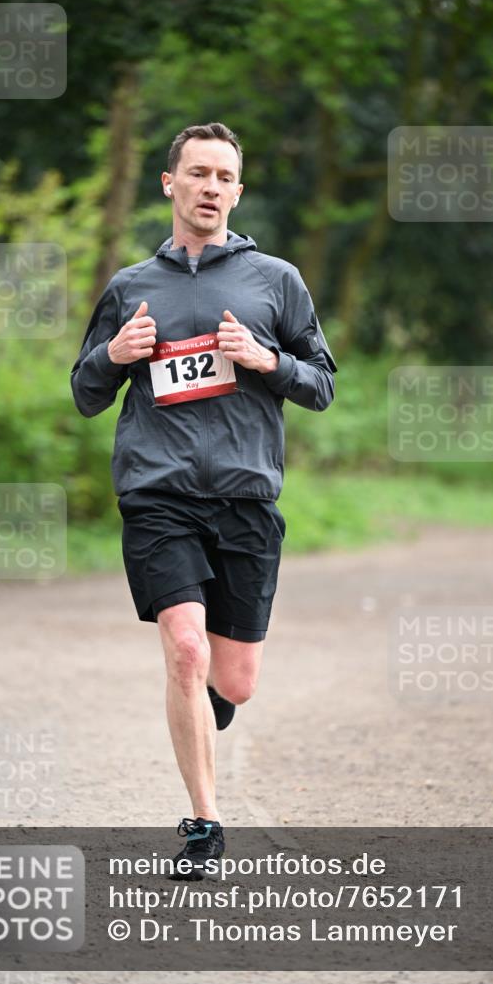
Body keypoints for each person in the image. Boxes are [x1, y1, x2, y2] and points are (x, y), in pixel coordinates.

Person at [71, 122, 337, 878]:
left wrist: (264, 359)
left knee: (234, 679)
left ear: (237, 192)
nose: (210, 187)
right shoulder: (130, 287)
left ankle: (211, 705)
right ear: (170, 184)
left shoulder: (275, 281)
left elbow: (319, 385)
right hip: (158, 498)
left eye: (224, 176)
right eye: (197, 173)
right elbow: (85, 393)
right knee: (184, 648)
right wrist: (112, 355)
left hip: (245, 499)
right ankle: (204, 825)